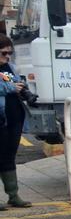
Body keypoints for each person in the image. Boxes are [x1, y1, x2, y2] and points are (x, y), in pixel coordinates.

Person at [0, 35, 33, 209]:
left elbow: (17, 85)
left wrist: (23, 87)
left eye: (10, 53)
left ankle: (13, 195)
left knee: (8, 157)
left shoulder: (10, 67)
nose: (7, 57)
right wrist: (10, 87)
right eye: (4, 53)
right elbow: (8, 88)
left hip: (14, 118)